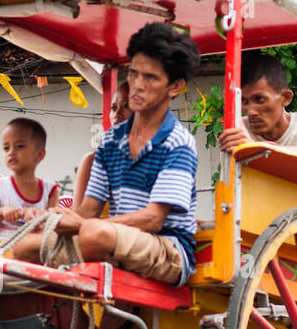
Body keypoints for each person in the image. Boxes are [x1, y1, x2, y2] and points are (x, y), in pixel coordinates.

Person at [14, 22, 201, 287]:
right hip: (111, 237)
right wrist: (55, 219)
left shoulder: (178, 143)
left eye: (151, 77)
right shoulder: (110, 142)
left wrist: (81, 226)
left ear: (175, 87)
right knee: (24, 247)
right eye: (135, 74)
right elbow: (89, 209)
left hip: (168, 249)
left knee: (94, 234)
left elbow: (153, 218)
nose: (137, 85)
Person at [217, 52, 297, 163]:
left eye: (260, 99)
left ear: (286, 98)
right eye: (244, 102)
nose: (250, 112)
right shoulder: (239, 133)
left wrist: (254, 149)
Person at [0, 117, 59, 235]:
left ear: (39, 155)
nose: (11, 152)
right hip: (4, 249)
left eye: (20, 146)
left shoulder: (50, 190)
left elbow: (53, 227)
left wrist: (37, 216)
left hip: (36, 248)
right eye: (6, 148)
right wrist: (1, 213)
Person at [72, 79, 130, 205]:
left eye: (126, 106)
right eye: (113, 108)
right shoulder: (92, 161)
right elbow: (80, 218)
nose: (117, 114)